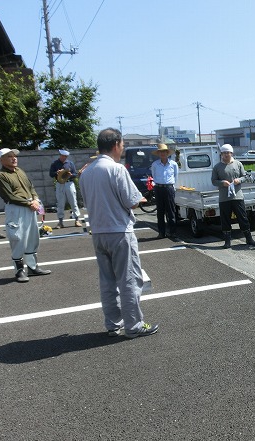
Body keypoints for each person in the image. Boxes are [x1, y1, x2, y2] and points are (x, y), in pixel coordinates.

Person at [79, 128, 158, 339]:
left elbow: (86, 203)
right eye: (122, 144)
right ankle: (134, 325)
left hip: (98, 232)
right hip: (119, 231)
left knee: (107, 281)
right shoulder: (116, 169)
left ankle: (113, 324)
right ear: (116, 145)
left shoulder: (85, 172)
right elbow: (132, 200)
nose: (122, 148)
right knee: (129, 280)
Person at [0, 148, 51, 283]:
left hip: (30, 206)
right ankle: (19, 271)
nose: (14, 158)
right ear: (1, 160)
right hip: (16, 209)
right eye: (9, 156)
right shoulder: (1, 175)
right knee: (18, 238)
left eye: (14, 156)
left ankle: (32, 267)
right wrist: (29, 203)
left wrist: (36, 199)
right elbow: (9, 195)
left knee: (32, 236)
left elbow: (30, 187)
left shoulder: (20, 171)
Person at [211, 144, 255, 248]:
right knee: (225, 219)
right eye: (224, 153)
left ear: (232, 153)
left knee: (243, 217)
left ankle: (249, 238)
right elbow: (213, 181)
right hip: (224, 198)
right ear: (221, 154)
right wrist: (222, 183)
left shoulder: (238, 164)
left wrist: (239, 180)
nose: (226, 155)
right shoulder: (217, 167)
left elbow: (245, 176)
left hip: (237, 196)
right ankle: (227, 241)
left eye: (228, 152)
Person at [150, 143, 179, 241]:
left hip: (169, 188)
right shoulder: (155, 164)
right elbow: (153, 176)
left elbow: (176, 176)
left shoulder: (173, 164)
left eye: (164, 152)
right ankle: (161, 233)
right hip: (158, 188)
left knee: (171, 211)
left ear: (167, 153)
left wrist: (171, 186)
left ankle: (173, 232)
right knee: (160, 212)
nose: (162, 154)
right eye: (160, 152)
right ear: (158, 154)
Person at [49, 149, 82, 229]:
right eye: (63, 156)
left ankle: (77, 220)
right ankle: (60, 222)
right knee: (60, 203)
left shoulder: (70, 163)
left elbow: (75, 174)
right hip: (60, 184)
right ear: (60, 155)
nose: (64, 158)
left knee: (73, 201)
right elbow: (50, 174)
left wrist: (71, 175)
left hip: (69, 183)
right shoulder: (55, 164)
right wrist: (56, 173)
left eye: (66, 156)